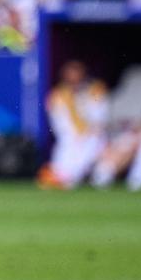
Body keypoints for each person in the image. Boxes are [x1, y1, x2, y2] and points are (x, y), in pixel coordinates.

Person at [40, 61, 109, 190]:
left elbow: (100, 116)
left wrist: (88, 131)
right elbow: (58, 122)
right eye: (70, 74)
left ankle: (70, 178)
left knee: (90, 144)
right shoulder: (58, 94)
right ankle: (60, 176)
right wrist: (75, 135)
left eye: (76, 73)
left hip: (93, 135)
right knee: (67, 146)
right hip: (70, 136)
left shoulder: (95, 90)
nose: (73, 77)